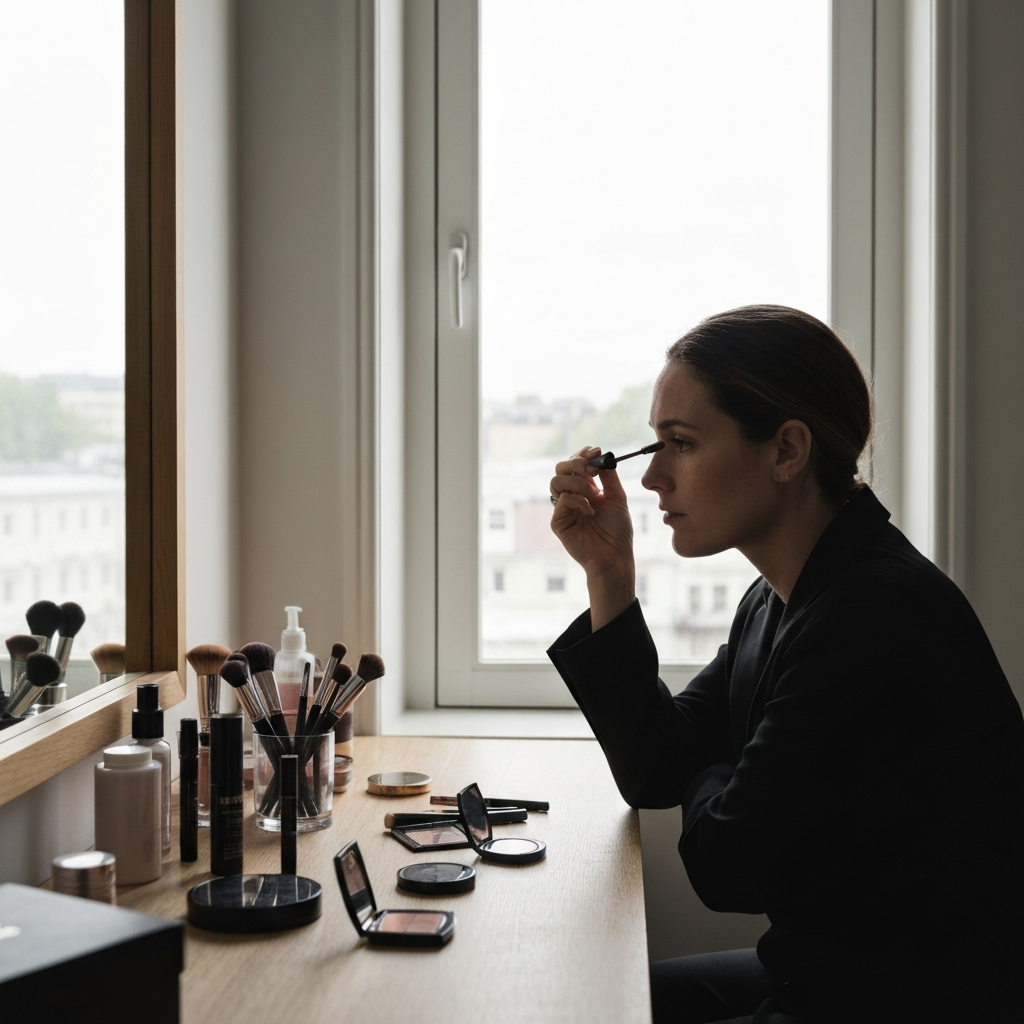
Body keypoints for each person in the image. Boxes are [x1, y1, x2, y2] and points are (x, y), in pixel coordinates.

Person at [545, 305, 1024, 1024]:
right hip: (825, 974)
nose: (652, 481)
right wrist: (609, 578)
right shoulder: (777, 600)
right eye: (655, 446)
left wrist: (720, 776)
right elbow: (656, 768)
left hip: (905, 1004)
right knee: (582, 1003)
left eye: (680, 443)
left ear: (786, 451)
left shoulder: (876, 615)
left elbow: (728, 863)